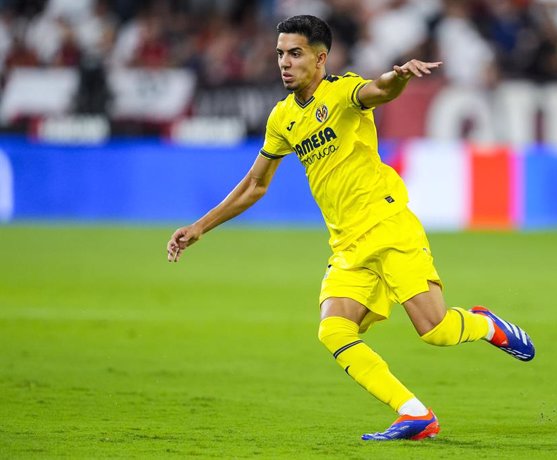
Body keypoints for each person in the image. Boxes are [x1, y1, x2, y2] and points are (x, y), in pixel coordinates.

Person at [166, 14, 535, 441]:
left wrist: (398, 77)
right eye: (280, 54)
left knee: (436, 331)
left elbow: (378, 90)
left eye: (296, 54)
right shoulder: (282, 118)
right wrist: (200, 227)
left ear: (320, 58)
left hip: (387, 224)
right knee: (333, 329)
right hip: (347, 243)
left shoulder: (342, 93)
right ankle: (414, 413)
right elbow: (254, 185)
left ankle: (487, 325)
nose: (285, 62)